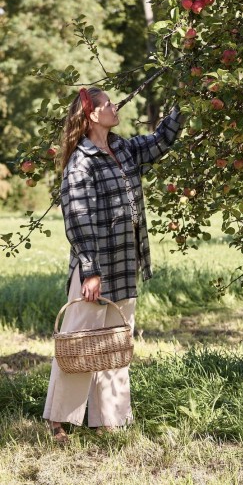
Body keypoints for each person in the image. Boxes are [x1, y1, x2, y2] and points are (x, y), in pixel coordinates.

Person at [43, 86, 183, 443]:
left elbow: (160, 140)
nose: (114, 105)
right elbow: (77, 218)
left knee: (116, 341)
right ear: (92, 115)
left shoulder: (122, 148)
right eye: (107, 103)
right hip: (96, 269)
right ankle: (58, 419)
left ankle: (109, 419)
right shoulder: (81, 161)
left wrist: (186, 99)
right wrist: (90, 270)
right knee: (78, 343)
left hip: (124, 262)